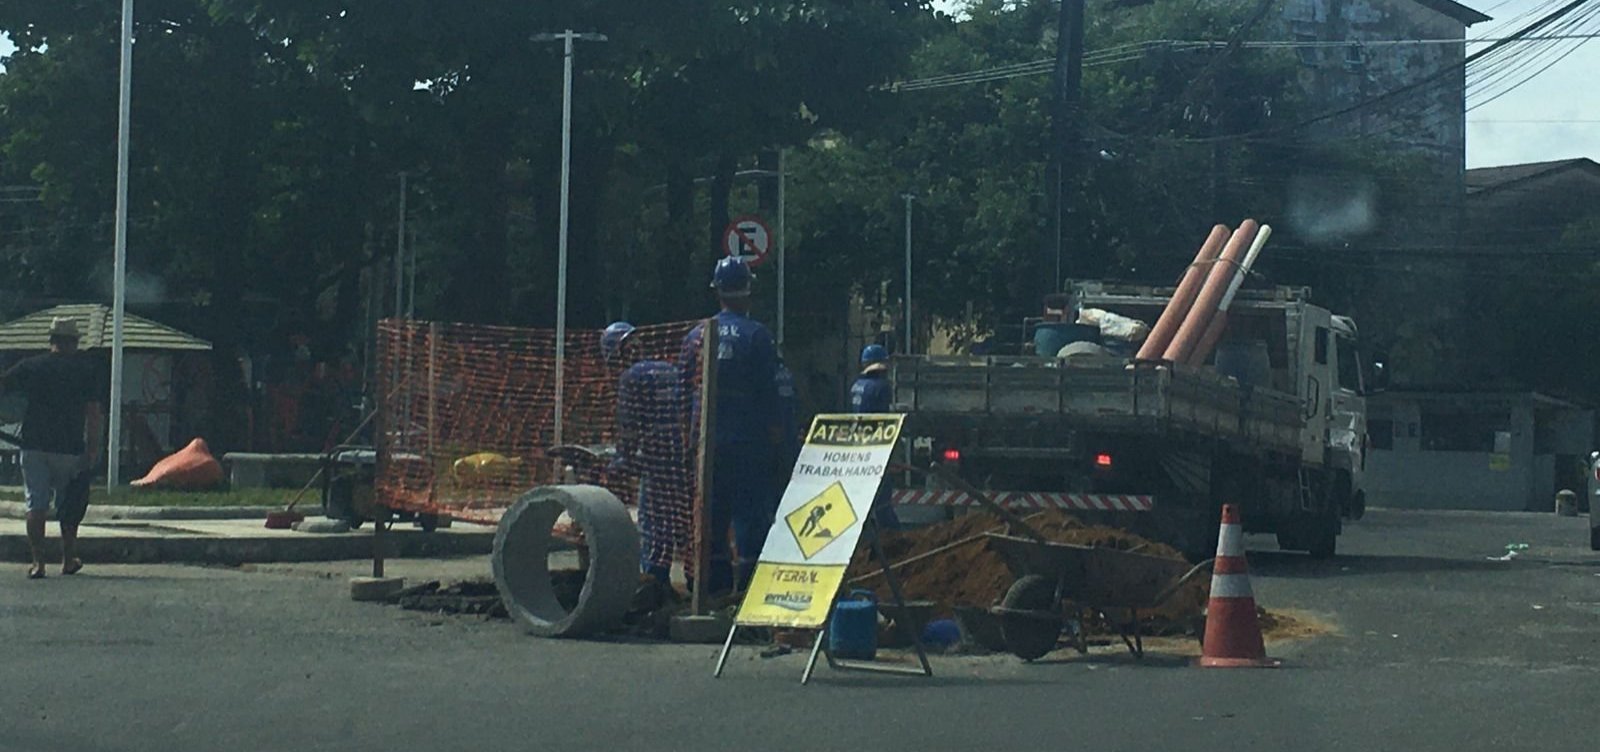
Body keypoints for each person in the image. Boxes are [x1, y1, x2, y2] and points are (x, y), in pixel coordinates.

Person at [679, 257, 781, 594]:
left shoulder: (696, 336)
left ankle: (714, 590)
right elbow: (769, 393)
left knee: (712, 516)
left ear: (717, 291)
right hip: (748, 442)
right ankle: (749, 590)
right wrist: (775, 439)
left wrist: (689, 439)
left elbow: (683, 393)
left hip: (707, 443)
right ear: (748, 290)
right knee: (750, 515)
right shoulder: (757, 336)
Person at [0, 317, 103, 579]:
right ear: (75, 342)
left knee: (36, 503)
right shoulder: (85, 371)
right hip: (69, 448)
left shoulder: (31, 366)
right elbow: (93, 412)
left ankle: (38, 562)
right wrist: (92, 448)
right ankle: (68, 559)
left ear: (51, 340)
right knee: (69, 503)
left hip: (33, 445)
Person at [602, 321, 689, 586]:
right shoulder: (670, 369)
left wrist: (622, 460)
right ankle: (693, 581)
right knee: (683, 521)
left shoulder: (631, 378)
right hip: (684, 457)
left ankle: (655, 581)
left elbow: (629, 426)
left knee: (654, 522)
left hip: (656, 459)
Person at [850, 343, 900, 529]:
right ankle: (892, 534)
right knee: (882, 499)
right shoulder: (881, 388)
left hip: (858, 447)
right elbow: (887, 419)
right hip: (877, 448)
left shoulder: (856, 386)